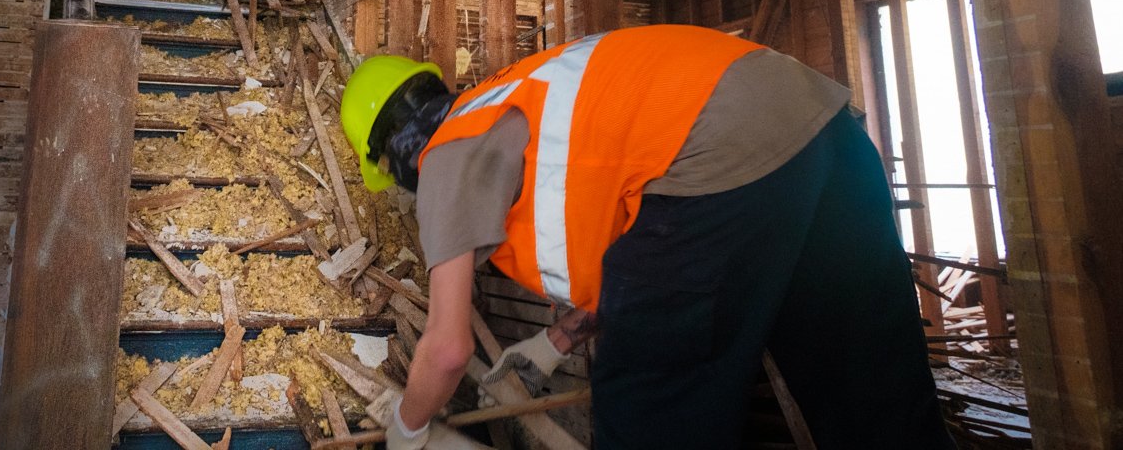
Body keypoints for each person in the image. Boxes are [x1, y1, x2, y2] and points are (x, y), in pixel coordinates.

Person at [340, 24, 955, 450]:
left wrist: (410, 425)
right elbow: (652, 249)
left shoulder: (448, 153)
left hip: (714, 156)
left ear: (392, 153)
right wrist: (556, 340)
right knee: (875, 403)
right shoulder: (513, 101)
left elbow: (446, 351)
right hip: (823, 126)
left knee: (651, 412)